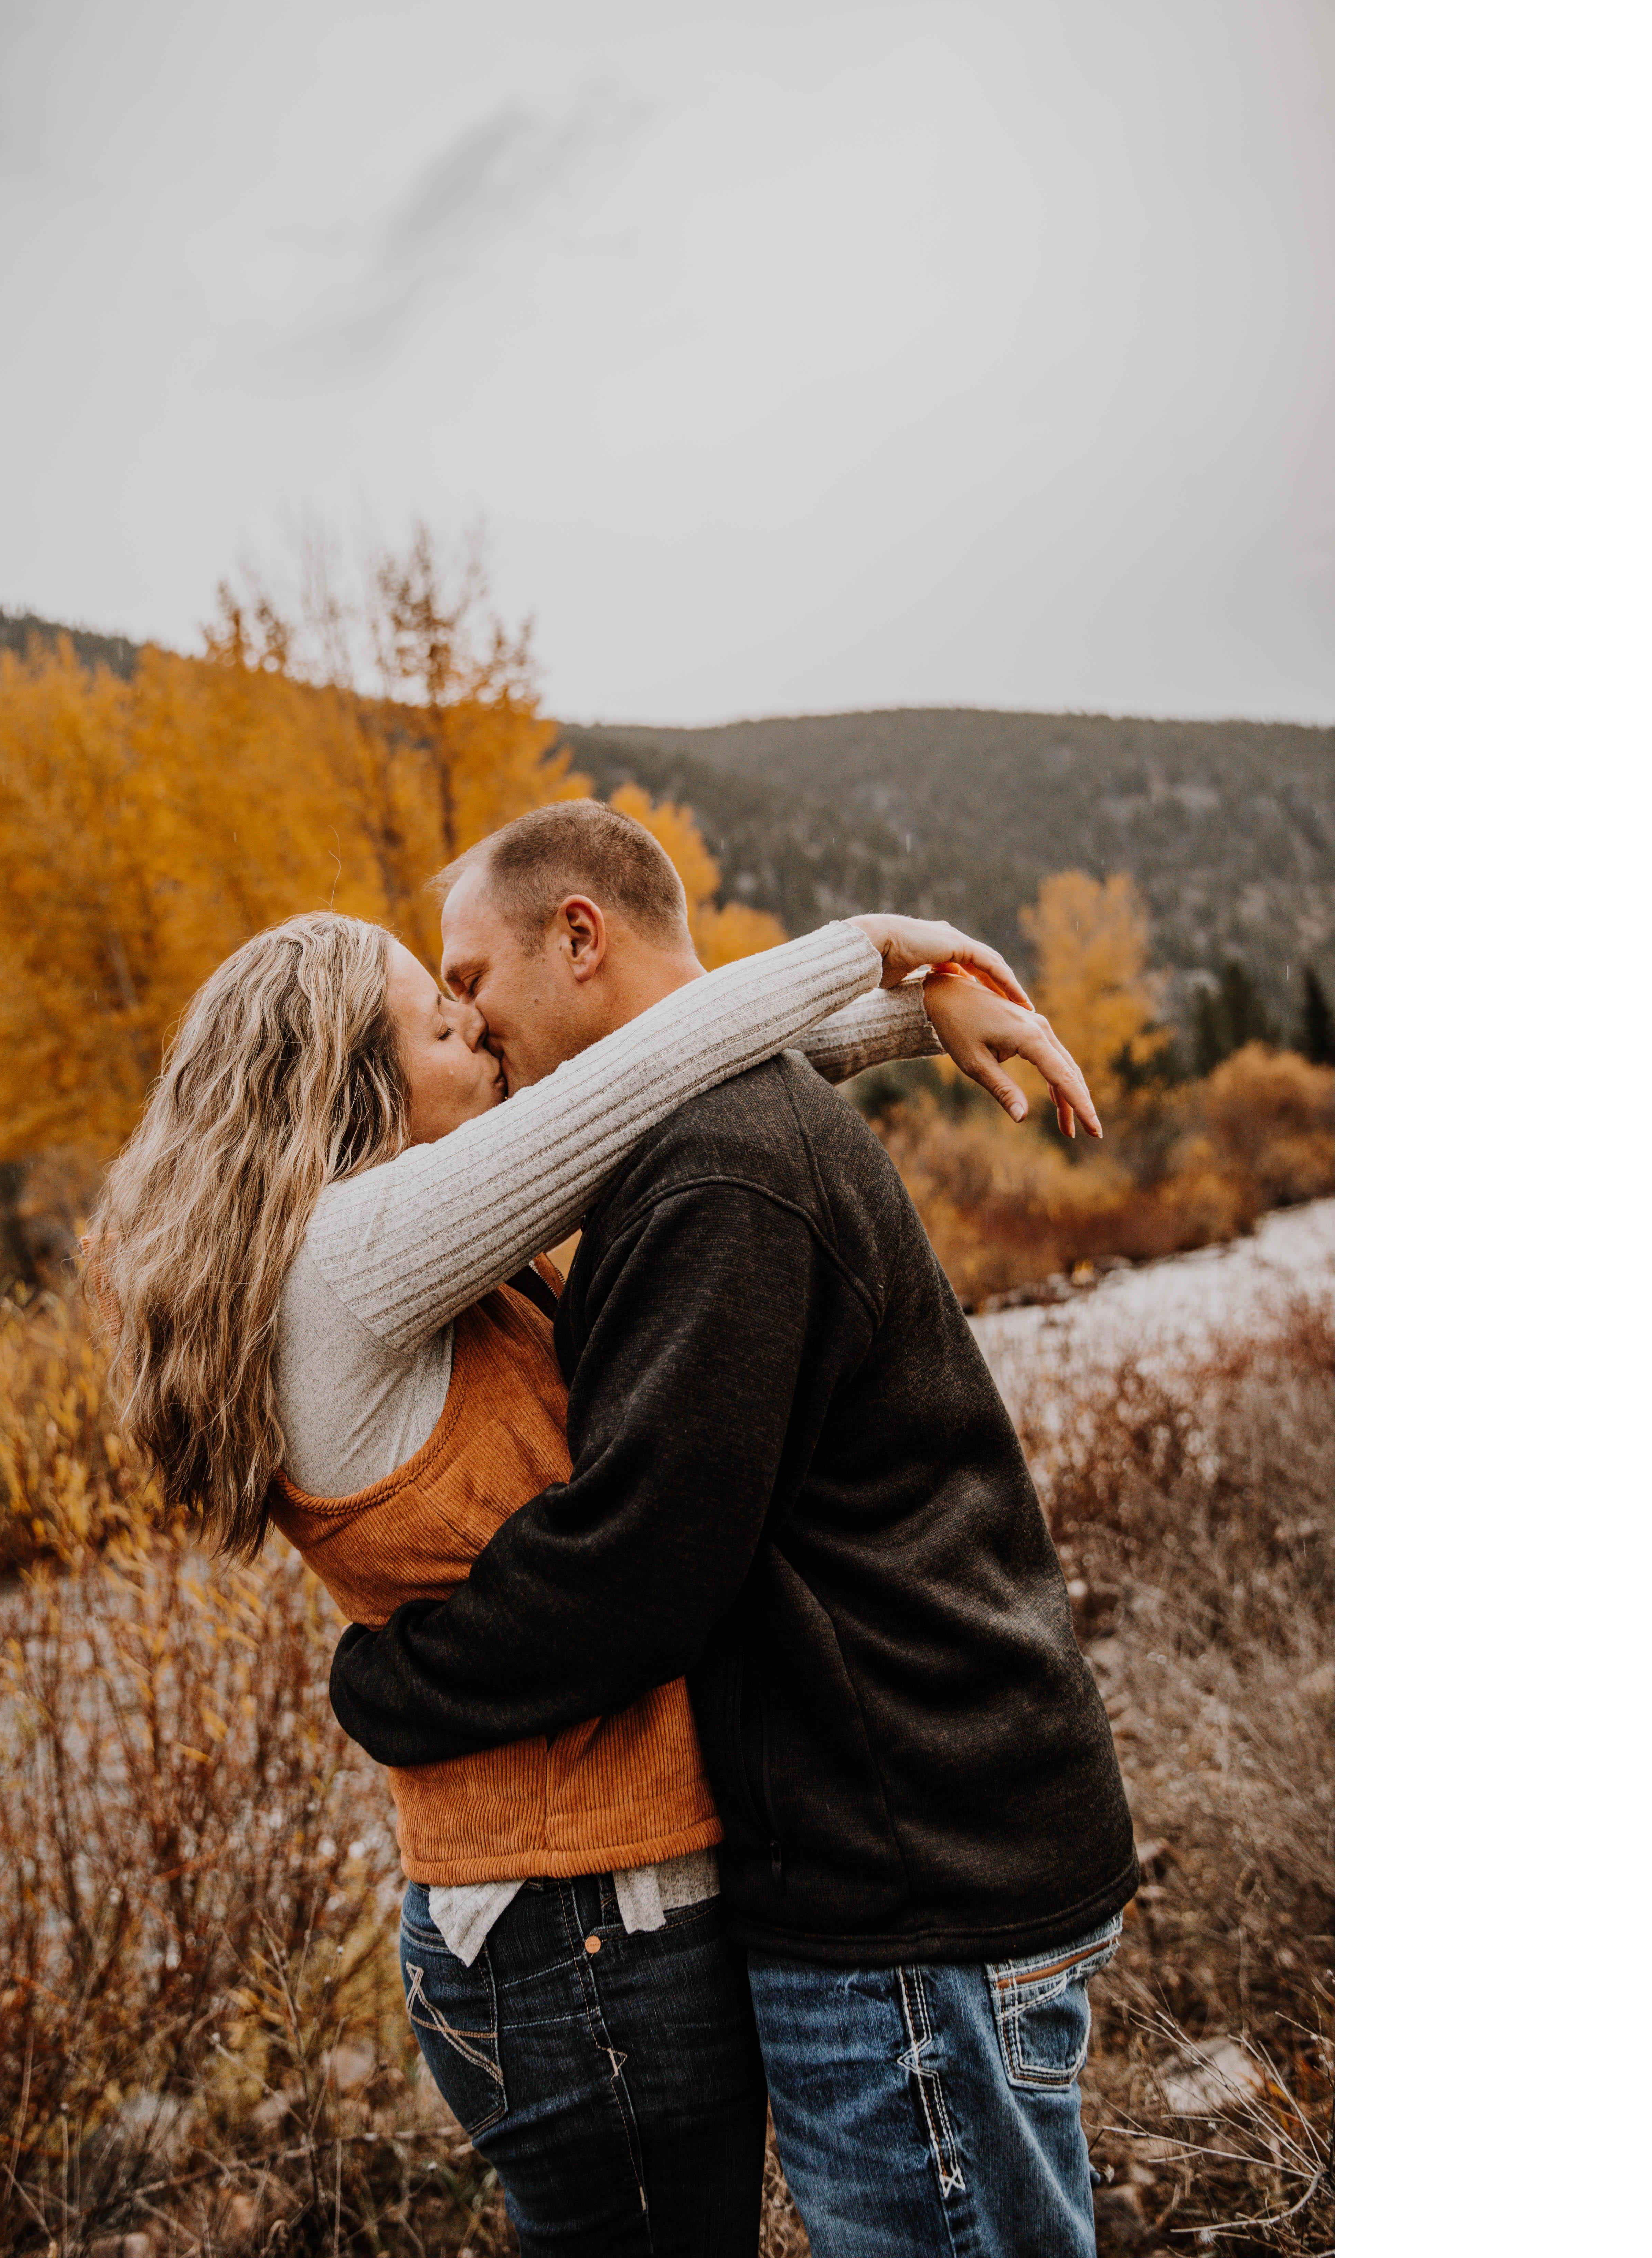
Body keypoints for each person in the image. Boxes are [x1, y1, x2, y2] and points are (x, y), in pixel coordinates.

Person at [82, 842, 1098, 2258]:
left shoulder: (383, 1257)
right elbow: (627, 1091)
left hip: (580, 1906)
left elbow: (653, 1097)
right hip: (572, 1926)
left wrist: (914, 1016)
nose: (477, 1029)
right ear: (349, 1090)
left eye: (467, 999)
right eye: (440, 1024)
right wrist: (876, 949)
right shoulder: (355, 1255)